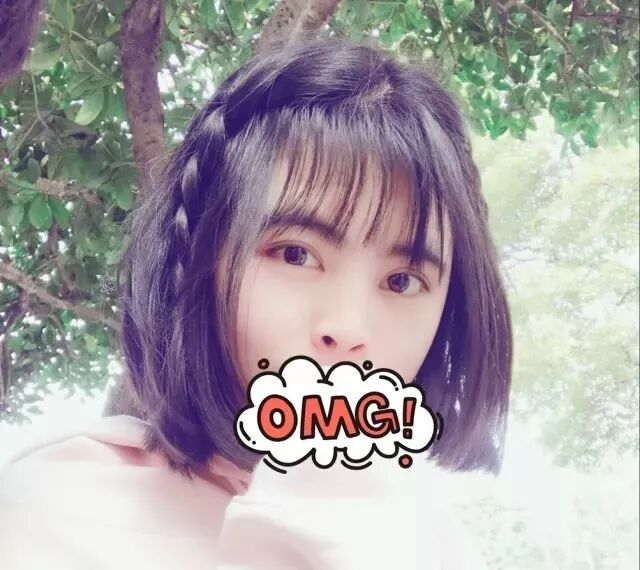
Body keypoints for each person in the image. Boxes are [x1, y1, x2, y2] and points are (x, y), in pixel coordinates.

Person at [0, 37, 512, 569]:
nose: (347, 327)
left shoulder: (428, 543)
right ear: (201, 256)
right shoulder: (59, 510)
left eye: (402, 282)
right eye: (295, 254)